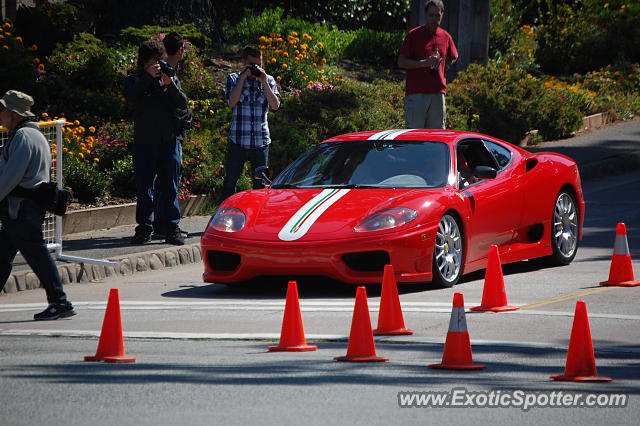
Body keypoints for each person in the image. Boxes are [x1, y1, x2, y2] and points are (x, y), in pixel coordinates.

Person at [0, 90, 76, 320]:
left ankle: (60, 301)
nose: (0, 115)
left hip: (21, 210)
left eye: (3, 110)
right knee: (3, 254)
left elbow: (10, 177)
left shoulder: (23, 137)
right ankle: (59, 301)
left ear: (14, 114)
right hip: (24, 209)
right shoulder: (35, 136)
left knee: (37, 256)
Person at [124, 36, 189, 245]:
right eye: (154, 62)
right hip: (144, 141)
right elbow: (131, 95)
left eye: (160, 61)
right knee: (145, 188)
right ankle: (144, 227)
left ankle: (171, 227)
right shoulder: (135, 79)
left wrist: (169, 83)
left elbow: (182, 103)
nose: (158, 66)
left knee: (169, 185)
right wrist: (147, 77)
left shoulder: (169, 78)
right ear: (144, 62)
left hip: (168, 140)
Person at [221, 45, 280, 201]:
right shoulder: (233, 79)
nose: (256, 68)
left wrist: (264, 81)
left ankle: (258, 219)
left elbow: (275, 106)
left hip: (260, 143)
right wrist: (242, 79)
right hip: (238, 141)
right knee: (230, 182)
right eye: (252, 64)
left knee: (260, 186)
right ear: (243, 62)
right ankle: (224, 217)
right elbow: (231, 102)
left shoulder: (269, 80)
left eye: (259, 64)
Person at [398, 0, 458, 129]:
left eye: (437, 15)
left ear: (442, 15)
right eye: (431, 15)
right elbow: (401, 62)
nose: (434, 19)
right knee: (414, 137)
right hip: (416, 94)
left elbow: (453, 56)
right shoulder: (413, 35)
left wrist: (443, 67)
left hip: (438, 94)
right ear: (425, 15)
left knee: (437, 138)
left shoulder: (446, 36)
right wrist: (424, 63)